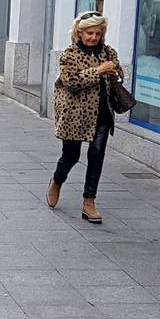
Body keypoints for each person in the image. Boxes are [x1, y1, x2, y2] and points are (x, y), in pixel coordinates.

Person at [48, 12, 124, 224]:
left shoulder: (108, 52)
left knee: (97, 155)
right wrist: (99, 70)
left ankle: (89, 201)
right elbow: (71, 81)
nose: (93, 37)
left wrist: (115, 73)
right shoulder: (69, 54)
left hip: (102, 112)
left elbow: (120, 73)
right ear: (79, 33)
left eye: (98, 33)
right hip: (75, 114)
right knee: (71, 156)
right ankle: (58, 179)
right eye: (89, 33)